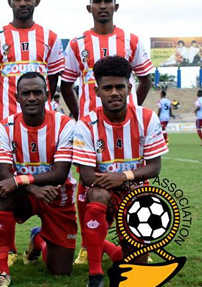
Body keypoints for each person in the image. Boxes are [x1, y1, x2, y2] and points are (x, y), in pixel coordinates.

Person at [59, 0, 153, 266]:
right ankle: (90, 246)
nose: (102, 6)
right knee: (86, 186)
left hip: (125, 125)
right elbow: (66, 84)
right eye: (97, 2)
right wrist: (80, 116)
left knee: (135, 182)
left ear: (115, 6)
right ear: (89, 8)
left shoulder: (131, 40)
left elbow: (145, 77)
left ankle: (135, 235)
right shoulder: (77, 44)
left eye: (107, 1)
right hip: (90, 130)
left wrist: (132, 109)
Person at [0, 0, 65, 267]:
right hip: (10, 123)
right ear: (10, 2)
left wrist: (42, 103)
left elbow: (53, 79)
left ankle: (42, 236)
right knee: (6, 181)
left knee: (51, 178)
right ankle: (10, 251)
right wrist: (2, 113)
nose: (22, 3)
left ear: (36, 1)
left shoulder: (51, 37)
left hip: (43, 123)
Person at [72, 56, 168, 287]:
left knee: (133, 264)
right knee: (96, 195)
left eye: (119, 87)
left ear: (129, 88)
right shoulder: (86, 123)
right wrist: (124, 181)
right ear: (97, 91)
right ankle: (95, 274)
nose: (114, 92)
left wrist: (123, 177)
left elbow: (155, 167)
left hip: (133, 192)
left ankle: (101, 245)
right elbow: (86, 177)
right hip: (98, 195)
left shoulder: (147, 118)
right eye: (107, 88)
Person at [0, 72, 77, 287]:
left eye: (37, 92)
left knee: (61, 271)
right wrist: (33, 189)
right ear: (17, 97)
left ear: (47, 96)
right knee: (2, 193)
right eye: (26, 93)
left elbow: (59, 174)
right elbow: (3, 174)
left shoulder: (65, 124)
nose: (31, 98)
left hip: (58, 195)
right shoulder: (6, 126)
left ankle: (38, 239)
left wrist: (21, 181)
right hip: (25, 196)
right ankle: (1, 271)